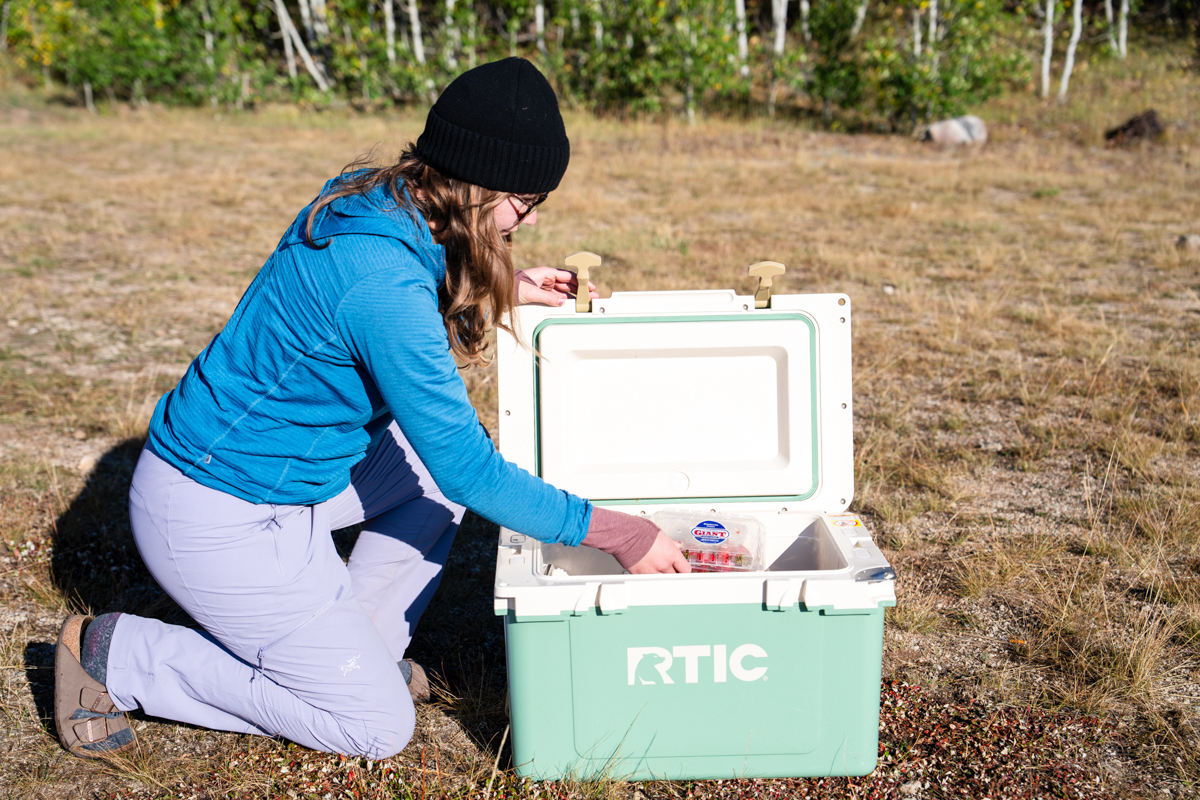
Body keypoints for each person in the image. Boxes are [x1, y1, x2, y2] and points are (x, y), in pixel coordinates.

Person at [53, 57, 689, 761]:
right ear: (478, 183)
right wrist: (619, 534)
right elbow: (468, 470)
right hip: (217, 514)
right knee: (376, 727)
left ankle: (357, 655)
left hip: (284, 479)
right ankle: (119, 654)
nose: (530, 217)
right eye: (525, 200)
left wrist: (503, 282)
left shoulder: (377, 201)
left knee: (428, 481)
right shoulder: (381, 281)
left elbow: (392, 300)